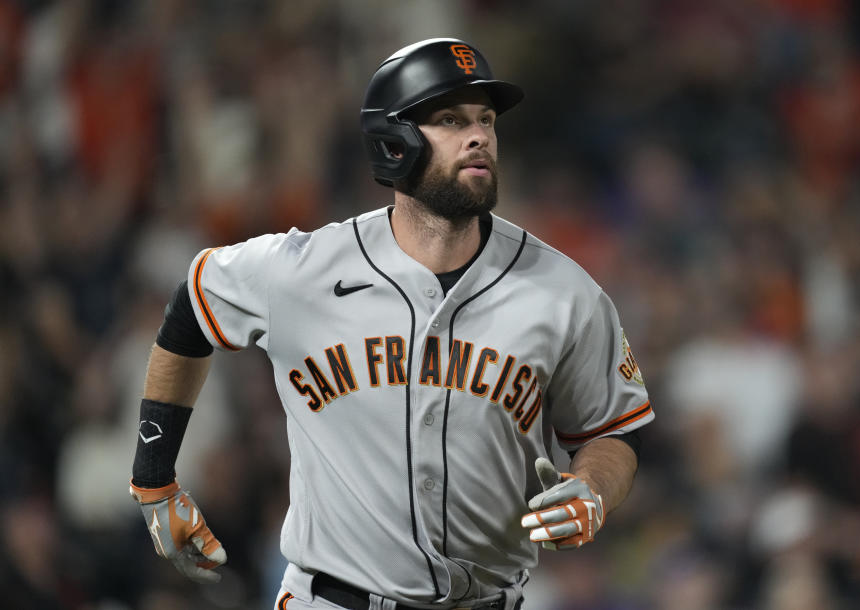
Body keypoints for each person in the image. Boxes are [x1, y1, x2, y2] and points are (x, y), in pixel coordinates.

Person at [128, 38, 653, 610]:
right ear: (392, 142)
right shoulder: (303, 269)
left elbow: (610, 430)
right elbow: (192, 305)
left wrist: (593, 490)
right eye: (450, 119)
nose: (478, 136)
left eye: (486, 120)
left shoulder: (564, 290)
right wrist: (155, 480)